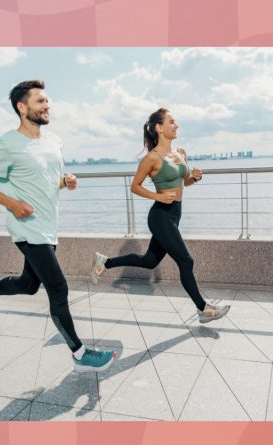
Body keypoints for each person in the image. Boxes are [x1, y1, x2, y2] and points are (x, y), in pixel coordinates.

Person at [0, 80, 116, 372]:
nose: (46, 105)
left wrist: (66, 182)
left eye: (46, 101)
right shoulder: (6, 144)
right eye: (40, 101)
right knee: (58, 287)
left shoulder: (53, 141)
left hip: (48, 225)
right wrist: (12, 204)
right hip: (26, 227)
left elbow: (46, 181)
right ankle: (80, 354)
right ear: (22, 107)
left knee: (28, 285)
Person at [91, 108, 230, 324]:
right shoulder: (151, 158)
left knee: (149, 261)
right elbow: (135, 187)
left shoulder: (181, 152)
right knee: (186, 260)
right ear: (159, 127)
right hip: (160, 215)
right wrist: (158, 196)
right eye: (172, 122)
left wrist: (195, 177)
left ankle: (105, 262)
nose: (177, 126)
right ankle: (203, 308)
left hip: (175, 214)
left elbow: (185, 182)